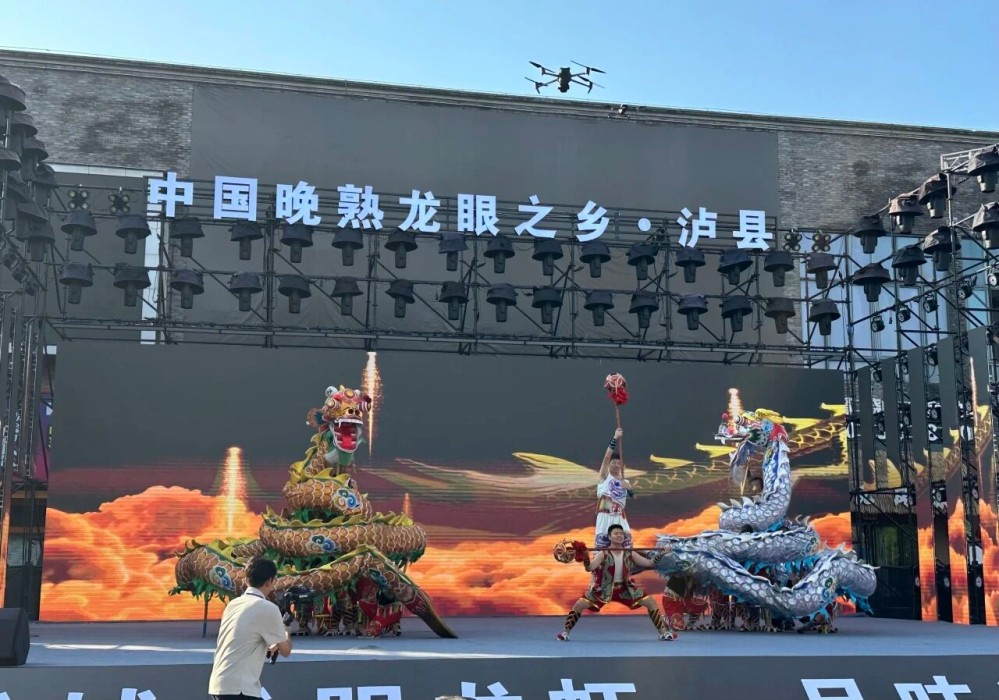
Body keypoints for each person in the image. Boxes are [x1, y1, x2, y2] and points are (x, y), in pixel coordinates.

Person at [556, 524, 676, 641]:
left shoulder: (630, 553)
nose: (619, 535)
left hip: (625, 590)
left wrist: (662, 554)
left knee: (650, 602)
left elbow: (649, 563)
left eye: (621, 534)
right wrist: (586, 557)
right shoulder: (603, 553)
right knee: (579, 605)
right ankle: (565, 633)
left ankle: (664, 633)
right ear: (609, 537)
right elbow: (589, 568)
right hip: (603, 589)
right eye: (616, 533)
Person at [209, 556, 293, 700]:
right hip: (240, 689)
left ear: (247, 579)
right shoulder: (268, 608)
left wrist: (271, 646)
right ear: (270, 581)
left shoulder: (233, 604)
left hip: (219, 685)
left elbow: (244, 639)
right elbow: (286, 651)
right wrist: (286, 629)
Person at [595, 427, 632, 548]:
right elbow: (606, 458)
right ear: (609, 464)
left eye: (619, 463)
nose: (617, 465)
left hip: (620, 517)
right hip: (606, 515)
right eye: (614, 462)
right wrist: (615, 438)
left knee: (626, 548)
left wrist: (629, 489)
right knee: (603, 548)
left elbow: (633, 497)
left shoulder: (625, 481)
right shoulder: (605, 476)